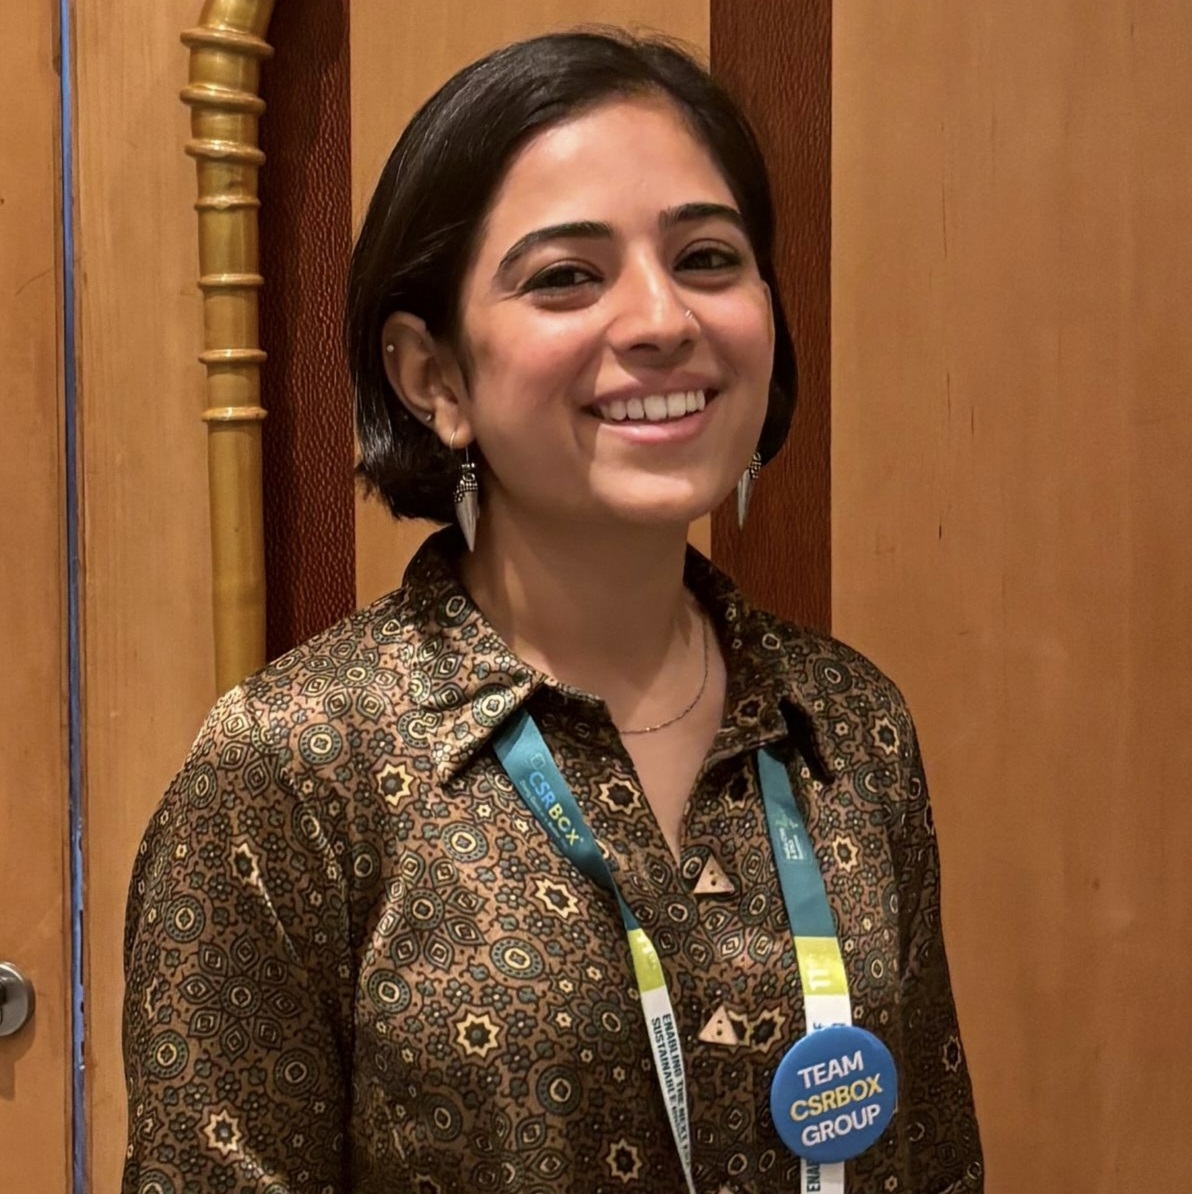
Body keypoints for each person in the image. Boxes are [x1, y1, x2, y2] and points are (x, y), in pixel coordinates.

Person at [122, 28, 982, 1194]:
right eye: (567, 276)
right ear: (433, 377)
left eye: (709, 258)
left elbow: (927, 1162)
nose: (661, 319)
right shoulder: (293, 769)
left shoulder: (849, 724)